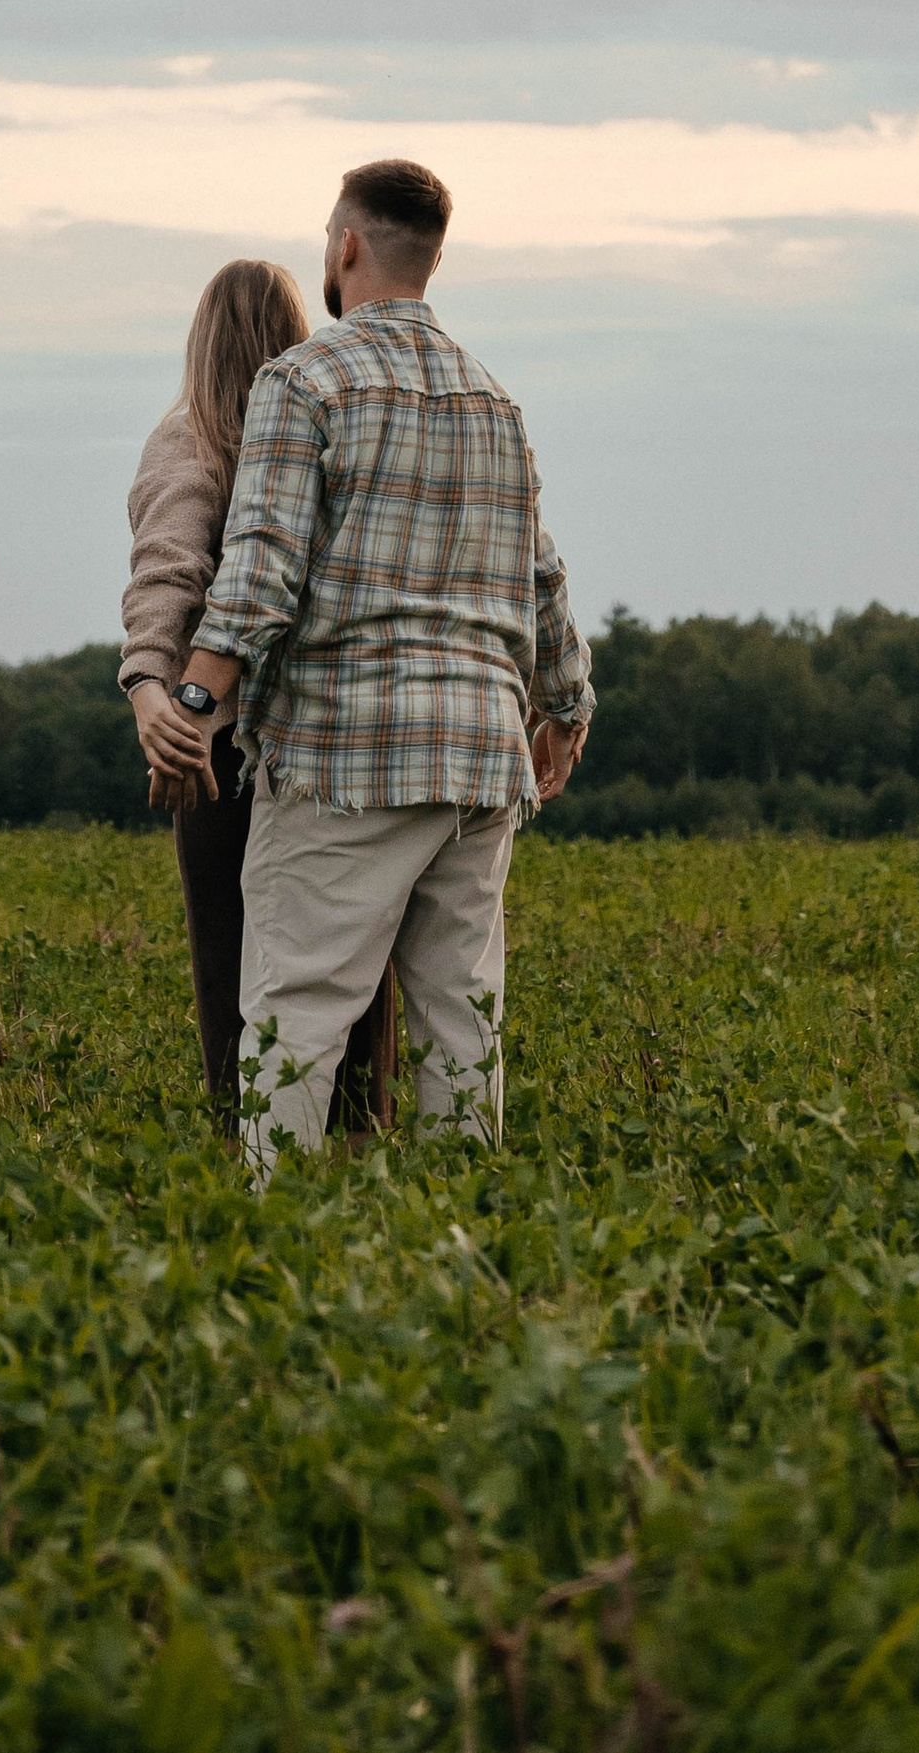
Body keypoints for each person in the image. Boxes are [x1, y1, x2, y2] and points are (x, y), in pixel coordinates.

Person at [161, 158, 593, 1178]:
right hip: (483, 757)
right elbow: (540, 575)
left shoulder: (301, 381)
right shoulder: (496, 399)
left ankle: (276, 1241)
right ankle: (458, 1239)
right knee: (462, 1021)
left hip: (348, 755)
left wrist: (188, 699)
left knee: (296, 1010)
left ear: (347, 245)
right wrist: (565, 707)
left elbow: (258, 577)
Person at [119, 258, 398, 1137]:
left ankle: (250, 1157)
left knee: (232, 968)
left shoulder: (189, 437)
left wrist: (153, 685)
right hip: (344, 745)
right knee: (358, 971)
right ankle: (364, 1153)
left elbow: (169, 566)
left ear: (199, 339)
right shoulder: (334, 428)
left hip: (226, 749)